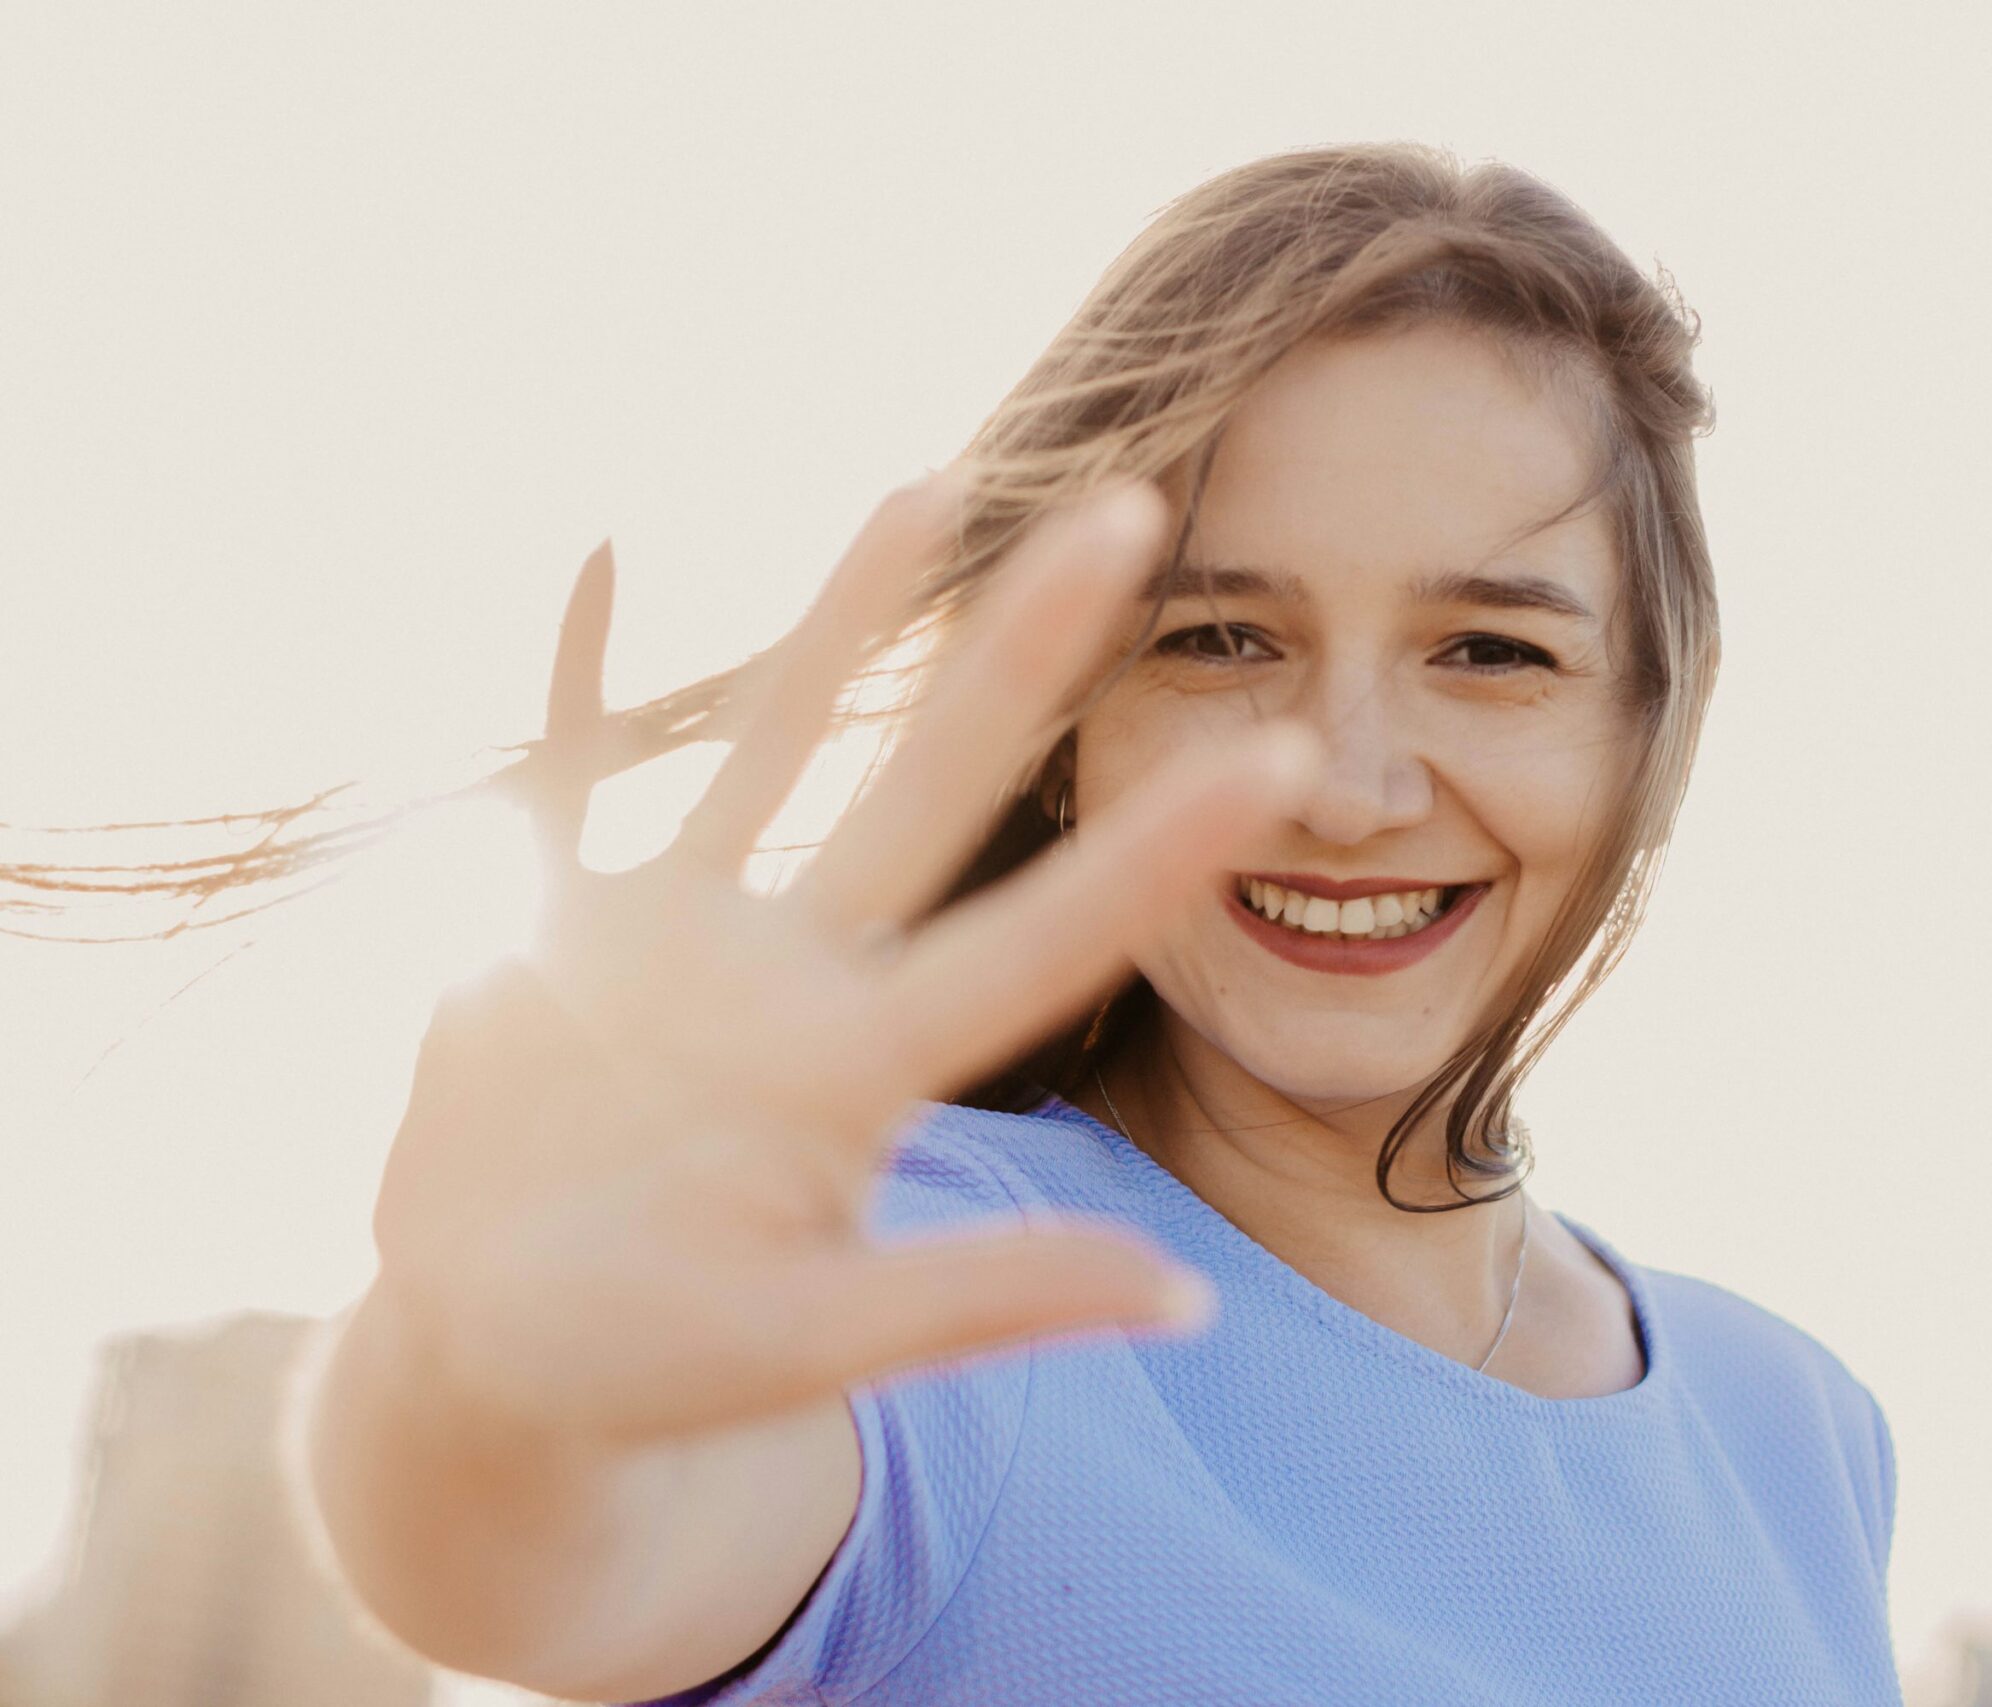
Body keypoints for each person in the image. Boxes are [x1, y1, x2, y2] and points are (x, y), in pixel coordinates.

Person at [287, 141, 1900, 1705]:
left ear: (1644, 733)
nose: (1342, 788)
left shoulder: (1799, 1430)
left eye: (1490, 652)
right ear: (1069, 737)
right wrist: (475, 1393)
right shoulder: (911, 1275)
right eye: (1218, 640)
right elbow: (543, 1560)